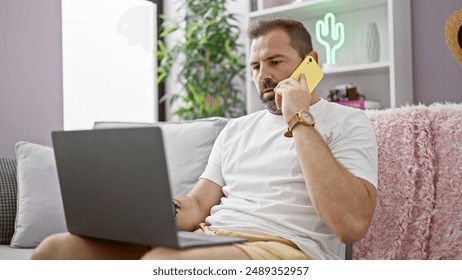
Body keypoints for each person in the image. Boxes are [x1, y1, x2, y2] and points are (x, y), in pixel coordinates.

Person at [32, 18, 377, 260]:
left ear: (310, 63)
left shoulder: (348, 122)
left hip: (287, 250)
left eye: (275, 62)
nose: (264, 76)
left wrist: (298, 118)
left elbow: (350, 225)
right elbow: (197, 205)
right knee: (57, 250)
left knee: (164, 263)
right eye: (255, 66)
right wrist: (146, 211)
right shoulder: (237, 130)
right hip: (209, 241)